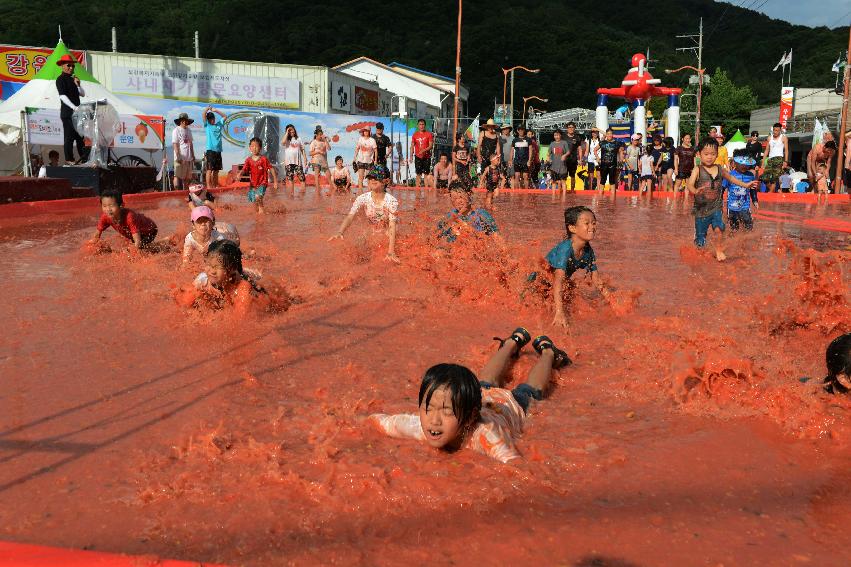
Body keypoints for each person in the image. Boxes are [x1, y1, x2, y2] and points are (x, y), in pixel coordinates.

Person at [369, 329, 570, 463]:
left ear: (471, 418)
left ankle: (548, 354)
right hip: (480, 396)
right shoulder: (422, 426)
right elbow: (382, 422)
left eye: (446, 412)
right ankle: (511, 343)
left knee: (531, 389)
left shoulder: (485, 436)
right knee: (485, 381)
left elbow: (515, 464)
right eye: (428, 409)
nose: (434, 420)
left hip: (509, 406)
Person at [687, 138, 757, 261]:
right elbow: (690, 184)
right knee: (701, 237)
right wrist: (695, 191)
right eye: (706, 154)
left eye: (713, 154)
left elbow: (731, 179)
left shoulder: (720, 169)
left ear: (717, 154)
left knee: (719, 228)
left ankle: (718, 250)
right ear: (699, 154)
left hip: (716, 207)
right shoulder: (697, 169)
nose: (709, 157)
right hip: (701, 208)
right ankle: (700, 251)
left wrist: (746, 185)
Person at [547, 206, 612, 328]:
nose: (592, 227)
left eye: (594, 223)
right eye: (586, 223)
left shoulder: (588, 250)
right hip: (538, 284)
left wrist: (613, 301)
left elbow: (596, 280)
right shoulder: (565, 250)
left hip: (554, 286)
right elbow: (558, 281)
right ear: (572, 228)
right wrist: (559, 312)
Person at [329, 164, 399, 263]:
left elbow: (392, 226)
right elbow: (350, 217)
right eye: (370, 177)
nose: (372, 180)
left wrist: (391, 251)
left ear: (386, 181)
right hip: (373, 229)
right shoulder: (362, 198)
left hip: (387, 230)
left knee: (387, 235)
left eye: (377, 177)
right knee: (361, 241)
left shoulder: (391, 201)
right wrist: (340, 232)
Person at [191, 240, 268, 316]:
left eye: (218, 267)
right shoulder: (202, 281)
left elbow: (240, 319)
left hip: (253, 279)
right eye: (209, 264)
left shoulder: (242, 287)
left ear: (231, 269)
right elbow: (184, 305)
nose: (212, 271)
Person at [90, 190, 158, 251]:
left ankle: (163, 243)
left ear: (121, 205)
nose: (108, 209)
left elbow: (138, 241)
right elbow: (96, 235)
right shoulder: (105, 217)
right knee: (134, 247)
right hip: (135, 233)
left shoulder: (129, 217)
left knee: (142, 249)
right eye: (104, 206)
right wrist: (92, 246)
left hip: (149, 230)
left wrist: (131, 254)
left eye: (111, 206)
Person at [54, 54, 87, 165]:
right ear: (63, 66)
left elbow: (82, 94)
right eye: (69, 65)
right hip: (68, 113)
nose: (71, 68)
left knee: (80, 137)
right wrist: (73, 107)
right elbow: (62, 96)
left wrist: (78, 84)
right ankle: (69, 159)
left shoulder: (73, 79)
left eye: (73, 66)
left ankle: (84, 158)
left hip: (77, 113)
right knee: (69, 137)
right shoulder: (60, 79)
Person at [242, 137, 279, 214]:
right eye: (252, 146)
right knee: (254, 200)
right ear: (249, 148)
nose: (254, 148)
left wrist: (275, 181)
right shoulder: (248, 160)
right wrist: (239, 174)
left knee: (258, 197)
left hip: (263, 182)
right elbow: (244, 169)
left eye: (256, 146)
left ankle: (261, 212)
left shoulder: (263, 159)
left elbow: (271, 169)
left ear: (260, 148)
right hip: (253, 184)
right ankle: (259, 211)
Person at [723, 155, 759, 233]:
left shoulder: (750, 175)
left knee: (748, 227)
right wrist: (719, 201)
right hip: (732, 207)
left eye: (746, 165)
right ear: (735, 163)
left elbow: (753, 189)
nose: (744, 166)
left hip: (745, 206)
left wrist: (755, 200)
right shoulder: (730, 175)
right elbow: (722, 188)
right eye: (742, 164)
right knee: (733, 229)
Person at [201, 106, 225, 189]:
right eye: (210, 119)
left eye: (213, 118)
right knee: (209, 169)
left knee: (216, 170)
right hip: (210, 150)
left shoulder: (219, 125)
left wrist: (216, 110)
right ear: (208, 120)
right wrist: (207, 108)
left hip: (218, 151)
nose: (212, 120)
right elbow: (203, 115)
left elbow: (225, 117)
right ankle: (209, 186)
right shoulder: (207, 125)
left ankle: (215, 186)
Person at [761, 123, 789, 193]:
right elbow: (767, 150)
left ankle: (770, 193)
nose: (775, 132)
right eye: (774, 130)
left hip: (779, 159)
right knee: (764, 178)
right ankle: (772, 190)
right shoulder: (769, 138)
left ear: (780, 130)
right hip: (770, 159)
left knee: (774, 178)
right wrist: (763, 161)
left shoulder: (783, 138)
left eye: (777, 130)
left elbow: (786, 150)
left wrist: (785, 161)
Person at [172, 113, 196, 190]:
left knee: (187, 178)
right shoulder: (176, 130)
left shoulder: (189, 130)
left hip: (188, 158)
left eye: (186, 121)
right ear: (180, 121)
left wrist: (193, 155)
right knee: (177, 176)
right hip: (179, 157)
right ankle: (176, 194)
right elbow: (175, 144)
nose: (185, 122)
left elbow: (191, 144)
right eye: (183, 121)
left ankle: (185, 194)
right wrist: (178, 155)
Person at [281, 124, 308, 193]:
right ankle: (291, 195)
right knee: (290, 179)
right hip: (288, 162)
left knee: (302, 178)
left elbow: (302, 149)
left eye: (292, 129)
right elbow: (283, 143)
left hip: (298, 162)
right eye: (289, 130)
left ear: (294, 130)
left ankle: (302, 195)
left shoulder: (298, 138)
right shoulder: (286, 139)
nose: (291, 131)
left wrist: (305, 158)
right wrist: (287, 131)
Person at [411, 119, 434, 188]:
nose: (421, 126)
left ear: (425, 125)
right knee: (418, 174)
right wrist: (411, 156)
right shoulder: (415, 135)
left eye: (423, 124)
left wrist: (424, 150)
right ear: (418, 125)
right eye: (420, 124)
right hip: (418, 156)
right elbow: (412, 146)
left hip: (426, 157)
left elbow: (430, 146)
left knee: (426, 174)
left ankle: (426, 189)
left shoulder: (429, 134)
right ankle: (417, 189)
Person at [598, 128, 623, 192]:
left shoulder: (617, 143)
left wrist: (621, 160)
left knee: (612, 181)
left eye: (611, 134)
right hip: (603, 164)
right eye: (608, 134)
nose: (609, 135)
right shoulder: (602, 143)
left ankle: (613, 198)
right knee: (603, 180)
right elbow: (595, 150)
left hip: (613, 165)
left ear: (613, 134)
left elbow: (620, 152)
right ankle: (600, 197)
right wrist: (598, 158)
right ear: (606, 134)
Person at [353, 126, 377, 192]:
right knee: (361, 177)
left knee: (369, 177)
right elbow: (357, 148)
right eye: (364, 131)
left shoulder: (372, 140)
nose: (365, 132)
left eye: (367, 131)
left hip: (369, 161)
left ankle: (369, 192)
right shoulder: (360, 139)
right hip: (360, 160)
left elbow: (375, 150)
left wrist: (375, 160)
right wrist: (354, 157)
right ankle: (360, 192)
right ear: (363, 132)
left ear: (369, 132)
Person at [563, 122, 584, 192]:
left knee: (572, 176)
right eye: (569, 127)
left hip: (573, 160)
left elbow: (580, 149)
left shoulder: (577, 138)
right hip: (564, 160)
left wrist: (580, 159)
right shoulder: (563, 137)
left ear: (574, 128)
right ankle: (564, 190)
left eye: (572, 127)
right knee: (563, 176)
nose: (571, 129)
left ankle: (572, 190)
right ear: (567, 128)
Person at [309, 126, 332, 194]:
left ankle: (332, 187)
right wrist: (318, 152)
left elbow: (329, 149)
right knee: (317, 175)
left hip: (324, 161)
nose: (321, 136)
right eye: (320, 135)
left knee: (328, 174)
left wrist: (325, 140)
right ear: (316, 135)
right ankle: (317, 190)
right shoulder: (313, 142)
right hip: (316, 160)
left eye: (322, 134)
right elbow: (310, 153)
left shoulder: (324, 141)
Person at [510, 125, 531, 189]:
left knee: (525, 176)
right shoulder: (515, 140)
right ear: (517, 131)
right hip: (517, 160)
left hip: (525, 161)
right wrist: (510, 160)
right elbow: (512, 151)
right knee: (517, 175)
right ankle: (516, 191)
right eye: (519, 130)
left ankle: (526, 191)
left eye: (522, 130)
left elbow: (530, 150)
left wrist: (529, 160)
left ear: (524, 131)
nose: (521, 131)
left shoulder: (528, 139)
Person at [548, 129, 569, 194]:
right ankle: (553, 195)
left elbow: (568, 152)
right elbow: (548, 153)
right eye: (555, 135)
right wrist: (548, 158)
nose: (556, 137)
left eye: (558, 135)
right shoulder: (552, 144)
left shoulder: (564, 143)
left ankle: (564, 196)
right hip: (553, 166)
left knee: (563, 181)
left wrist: (564, 155)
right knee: (553, 181)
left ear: (560, 135)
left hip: (562, 166)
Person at [499, 124, 514, 188]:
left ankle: (512, 193)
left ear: (509, 130)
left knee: (511, 176)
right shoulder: (500, 138)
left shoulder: (513, 138)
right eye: (503, 129)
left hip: (510, 160)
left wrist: (511, 159)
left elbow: (513, 150)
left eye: (506, 128)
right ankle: (501, 191)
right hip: (501, 160)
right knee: (502, 176)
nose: (505, 130)